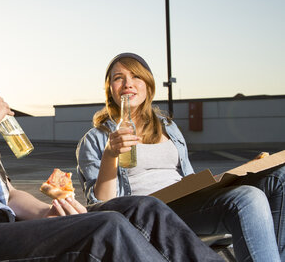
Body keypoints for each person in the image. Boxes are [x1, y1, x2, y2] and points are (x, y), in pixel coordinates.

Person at [0, 11, 223, 262]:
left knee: (144, 209)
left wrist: (51, 213)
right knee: (105, 228)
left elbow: (7, 194)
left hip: (2, 230)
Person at [76, 52, 285, 262]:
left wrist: (238, 174)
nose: (128, 83)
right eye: (118, 77)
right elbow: (101, 205)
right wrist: (110, 154)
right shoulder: (96, 139)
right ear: (109, 89)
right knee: (248, 198)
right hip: (148, 215)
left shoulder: (168, 127)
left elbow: (190, 179)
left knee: (280, 178)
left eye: (136, 76)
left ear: (148, 85)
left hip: (187, 206)